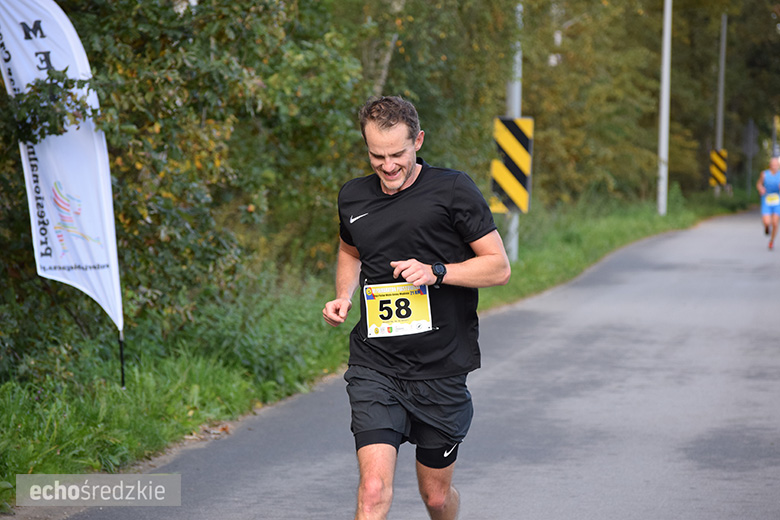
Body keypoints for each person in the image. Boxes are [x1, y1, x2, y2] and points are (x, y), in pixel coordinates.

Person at [322, 96, 511, 520]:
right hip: (376, 363)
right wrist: (344, 296)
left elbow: (498, 268)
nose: (388, 166)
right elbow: (350, 251)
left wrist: (436, 272)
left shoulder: (453, 190)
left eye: (398, 155)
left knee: (436, 499)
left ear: (418, 141)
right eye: (377, 156)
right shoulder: (353, 197)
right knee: (372, 490)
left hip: (440, 366)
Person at [757, 156, 780, 250]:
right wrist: (761, 188)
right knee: (767, 222)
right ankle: (767, 227)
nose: (774, 166)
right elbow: (759, 184)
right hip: (766, 200)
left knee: (775, 223)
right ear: (770, 165)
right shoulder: (764, 174)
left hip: (777, 201)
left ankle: (771, 241)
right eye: (772, 164)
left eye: (776, 165)